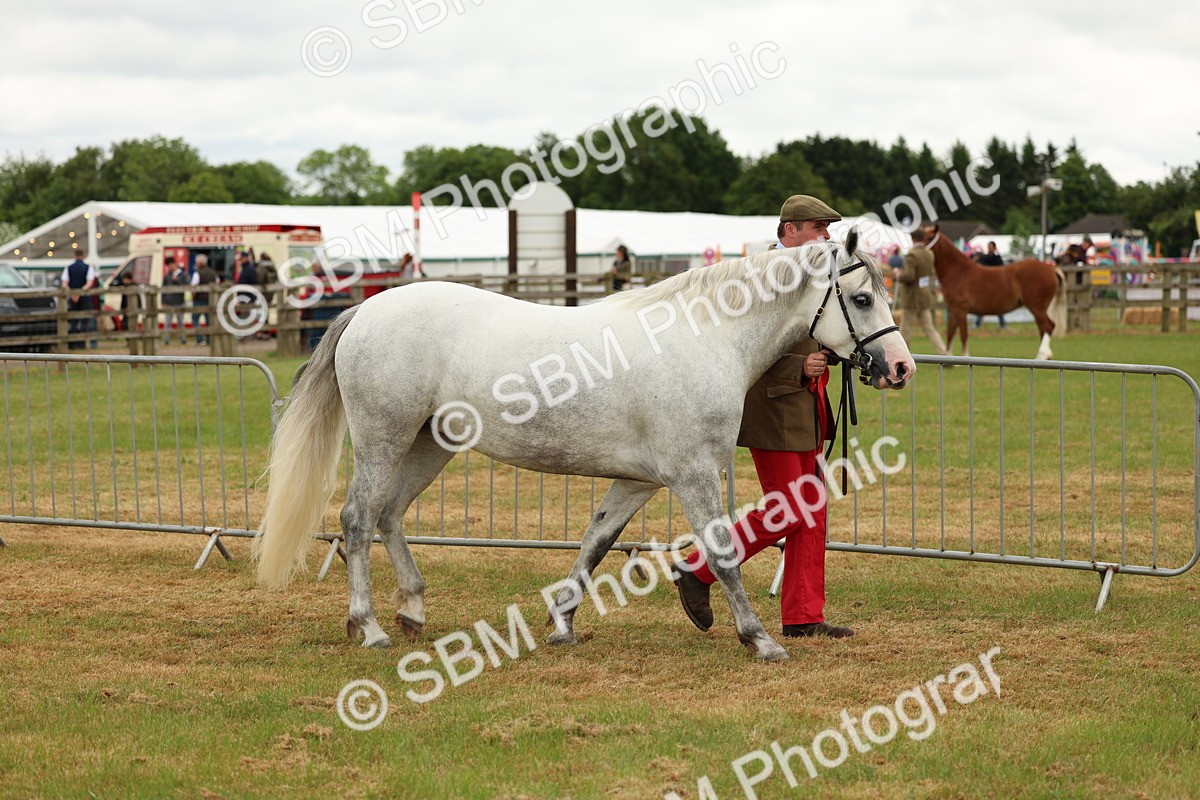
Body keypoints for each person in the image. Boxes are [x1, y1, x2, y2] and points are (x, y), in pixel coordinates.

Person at [673, 194, 854, 640]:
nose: (825, 236)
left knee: (812, 513)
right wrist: (797, 367)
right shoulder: (756, 280)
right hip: (770, 406)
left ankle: (803, 616)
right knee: (789, 510)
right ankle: (697, 568)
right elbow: (740, 350)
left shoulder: (815, 276)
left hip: (808, 406)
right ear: (790, 231)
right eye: (817, 228)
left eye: (828, 229)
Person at [896, 228, 951, 354]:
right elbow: (930, 274)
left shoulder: (911, 255)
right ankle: (945, 355)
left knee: (905, 329)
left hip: (911, 298)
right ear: (923, 238)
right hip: (924, 296)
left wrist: (898, 275)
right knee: (930, 328)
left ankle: (903, 355)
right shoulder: (929, 254)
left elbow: (909, 276)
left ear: (913, 238)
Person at [60, 249, 98, 350]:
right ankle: (82, 343)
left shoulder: (68, 268)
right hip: (84, 297)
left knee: (73, 321)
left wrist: (73, 293)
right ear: (83, 255)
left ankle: (73, 344)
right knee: (85, 321)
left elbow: (64, 283)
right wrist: (80, 292)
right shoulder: (88, 267)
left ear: (74, 255)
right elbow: (89, 282)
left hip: (72, 297)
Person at [973, 241, 1007, 329]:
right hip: (986, 285)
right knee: (983, 304)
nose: (989, 248)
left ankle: (1002, 323)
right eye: (988, 247)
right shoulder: (985, 257)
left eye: (991, 247)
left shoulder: (996, 258)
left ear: (994, 248)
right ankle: (978, 323)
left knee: (996, 304)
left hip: (995, 285)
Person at [190, 254, 218, 344]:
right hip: (211, 300)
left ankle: (200, 339)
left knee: (195, 319)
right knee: (209, 320)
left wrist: (193, 298)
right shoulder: (213, 273)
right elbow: (217, 285)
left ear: (199, 262)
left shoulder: (197, 273)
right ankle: (210, 339)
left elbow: (194, 287)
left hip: (199, 300)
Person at [161, 256, 189, 345]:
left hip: (179, 301)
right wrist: (163, 301)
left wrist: (177, 281)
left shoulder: (183, 274)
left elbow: (186, 286)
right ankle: (166, 339)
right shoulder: (167, 276)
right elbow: (163, 289)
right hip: (169, 301)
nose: (169, 267)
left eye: (170, 265)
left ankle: (182, 338)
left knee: (181, 322)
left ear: (174, 264)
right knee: (167, 322)